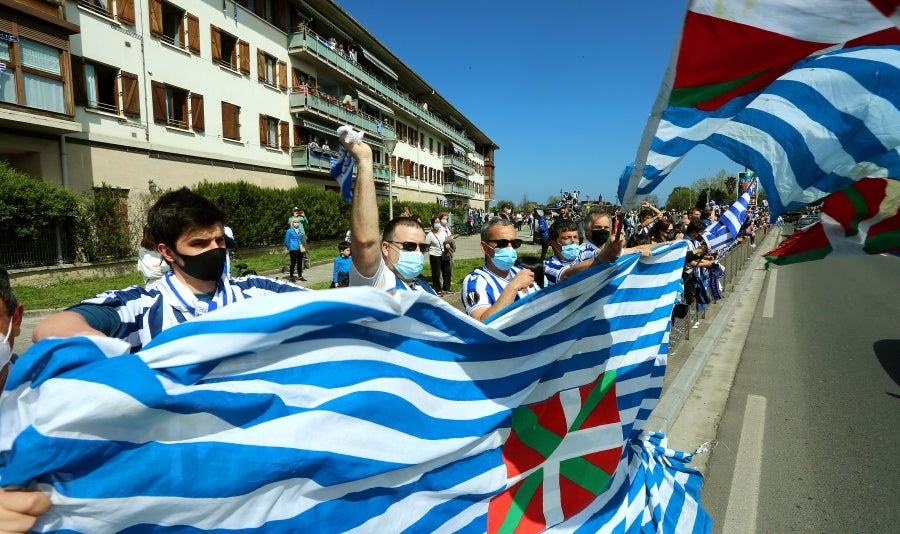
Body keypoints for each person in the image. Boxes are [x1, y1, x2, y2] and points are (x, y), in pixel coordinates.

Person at [30, 188, 306, 354]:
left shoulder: (257, 291)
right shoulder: (142, 307)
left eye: (219, 240)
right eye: (199, 243)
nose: (215, 249)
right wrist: (123, 368)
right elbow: (51, 329)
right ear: (167, 252)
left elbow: (336, 308)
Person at [346, 130, 436, 295]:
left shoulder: (426, 289)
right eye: (409, 246)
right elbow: (365, 242)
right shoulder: (376, 280)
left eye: (422, 248)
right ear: (386, 248)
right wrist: (365, 161)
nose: (418, 253)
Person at [460, 219, 540, 322]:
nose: (510, 248)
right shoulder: (475, 281)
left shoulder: (520, 271)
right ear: (485, 248)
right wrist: (513, 286)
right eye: (502, 243)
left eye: (515, 243)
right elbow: (481, 322)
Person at [543, 218, 579, 285]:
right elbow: (567, 275)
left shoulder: (583, 257)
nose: (573, 241)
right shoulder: (547, 266)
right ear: (553, 243)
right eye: (566, 238)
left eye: (575, 237)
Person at [137, 225, 171, 290]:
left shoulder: (165, 248)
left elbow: (176, 268)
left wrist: (161, 268)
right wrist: (169, 270)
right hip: (154, 287)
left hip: (170, 284)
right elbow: (150, 273)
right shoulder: (144, 251)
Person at [425, 216, 449, 296]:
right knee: (436, 273)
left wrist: (448, 244)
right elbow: (426, 245)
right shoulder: (430, 235)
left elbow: (447, 239)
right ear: (432, 224)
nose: (437, 224)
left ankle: (446, 287)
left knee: (446, 271)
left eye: (438, 222)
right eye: (436, 222)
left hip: (444, 253)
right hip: (434, 255)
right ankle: (437, 288)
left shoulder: (442, 231)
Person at [285, 217, 307, 282]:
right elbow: (286, 241)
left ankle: (300, 276)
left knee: (300, 263)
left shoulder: (300, 230)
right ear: (292, 223)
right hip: (293, 249)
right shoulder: (289, 231)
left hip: (299, 248)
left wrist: (301, 246)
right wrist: (290, 248)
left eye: (297, 222)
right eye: (295, 222)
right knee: (293, 263)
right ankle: (291, 277)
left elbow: (300, 239)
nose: (296, 223)